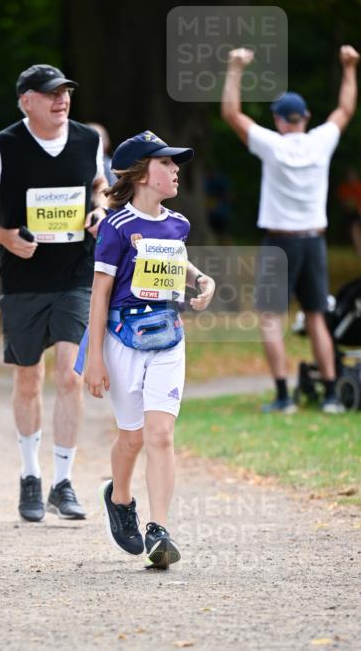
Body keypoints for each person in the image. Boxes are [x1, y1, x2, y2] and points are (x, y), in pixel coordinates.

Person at [0, 63, 108, 522]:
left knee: (70, 376)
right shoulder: (0, 146)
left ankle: (63, 482)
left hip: (75, 275)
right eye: (50, 93)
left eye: (65, 91)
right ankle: (30, 475)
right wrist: (3, 236)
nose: (61, 99)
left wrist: (99, 210)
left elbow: (100, 187)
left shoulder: (88, 140)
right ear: (26, 101)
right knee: (29, 379)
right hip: (23, 280)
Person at [84, 131, 215, 567]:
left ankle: (159, 530)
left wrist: (200, 278)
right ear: (142, 173)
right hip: (123, 338)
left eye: (176, 163)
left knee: (160, 434)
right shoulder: (116, 226)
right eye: (167, 163)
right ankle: (120, 498)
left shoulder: (178, 224)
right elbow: (100, 293)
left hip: (168, 336)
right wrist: (95, 358)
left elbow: (172, 257)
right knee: (133, 437)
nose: (176, 170)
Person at [221, 44, 359, 414]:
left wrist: (235, 68)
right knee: (316, 316)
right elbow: (345, 109)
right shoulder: (321, 142)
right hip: (314, 240)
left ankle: (284, 396)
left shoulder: (272, 145)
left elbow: (231, 114)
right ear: (306, 117)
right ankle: (331, 395)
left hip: (279, 241)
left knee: (270, 318)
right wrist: (349, 67)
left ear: (279, 120)